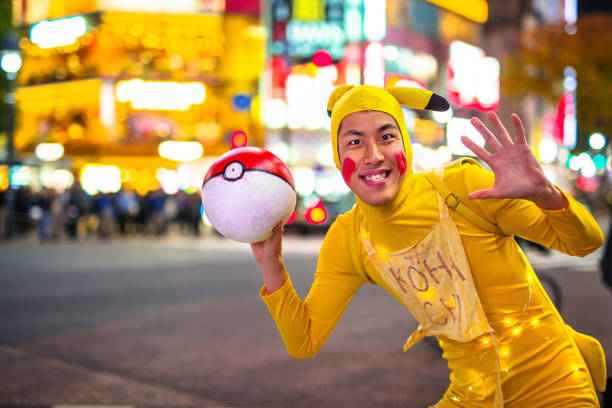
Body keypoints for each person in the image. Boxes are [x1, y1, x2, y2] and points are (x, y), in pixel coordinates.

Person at [250, 83, 606, 407]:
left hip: (556, 385)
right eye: (355, 142)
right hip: (471, 397)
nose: (373, 155)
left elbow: (585, 243)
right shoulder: (349, 236)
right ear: (337, 153)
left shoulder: (463, 186)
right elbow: (304, 340)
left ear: (404, 141)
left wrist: (546, 194)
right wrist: (271, 263)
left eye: (387, 137)